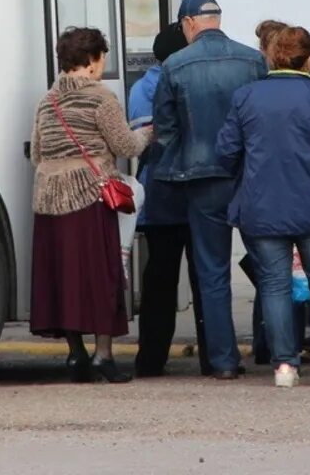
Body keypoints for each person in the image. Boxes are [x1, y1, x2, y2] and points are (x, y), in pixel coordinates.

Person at [216, 26, 310, 387]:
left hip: (262, 206)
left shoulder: (246, 97)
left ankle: (285, 366)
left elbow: (225, 152)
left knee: (274, 285)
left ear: (271, 56)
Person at [151, 0, 268, 380]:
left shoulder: (175, 65)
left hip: (202, 179)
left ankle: (223, 361)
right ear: (217, 19)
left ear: (188, 24)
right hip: (249, 177)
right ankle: (280, 353)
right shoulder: (252, 60)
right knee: (270, 264)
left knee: (212, 270)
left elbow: (166, 131)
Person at [29, 27, 152, 383]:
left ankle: (75, 355)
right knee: (101, 276)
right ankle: (103, 355)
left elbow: (38, 152)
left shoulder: (47, 101)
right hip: (89, 196)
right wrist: (147, 134)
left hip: (48, 199)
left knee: (62, 279)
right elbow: (125, 145)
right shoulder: (101, 98)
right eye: (102, 58)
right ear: (92, 60)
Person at [128, 22, 210, 376]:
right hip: (191, 193)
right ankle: (213, 356)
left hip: (159, 196)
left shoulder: (140, 88)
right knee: (204, 277)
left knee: (158, 281)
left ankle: (151, 358)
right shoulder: (184, 79)